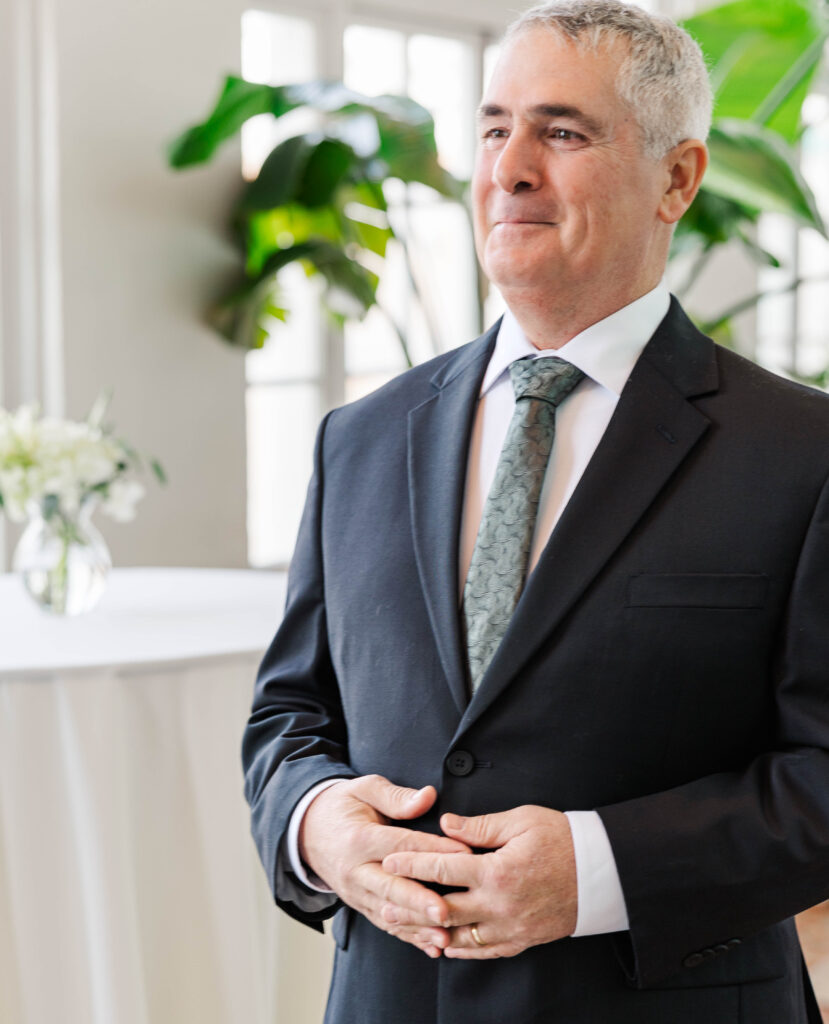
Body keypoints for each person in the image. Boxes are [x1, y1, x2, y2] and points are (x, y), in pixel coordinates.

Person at [242, 2, 829, 1021]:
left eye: (561, 132)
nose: (509, 166)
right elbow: (287, 719)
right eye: (492, 127)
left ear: (676, 179)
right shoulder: (361, 438)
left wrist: (596, 870)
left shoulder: (801, 453)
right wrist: (316, 824)